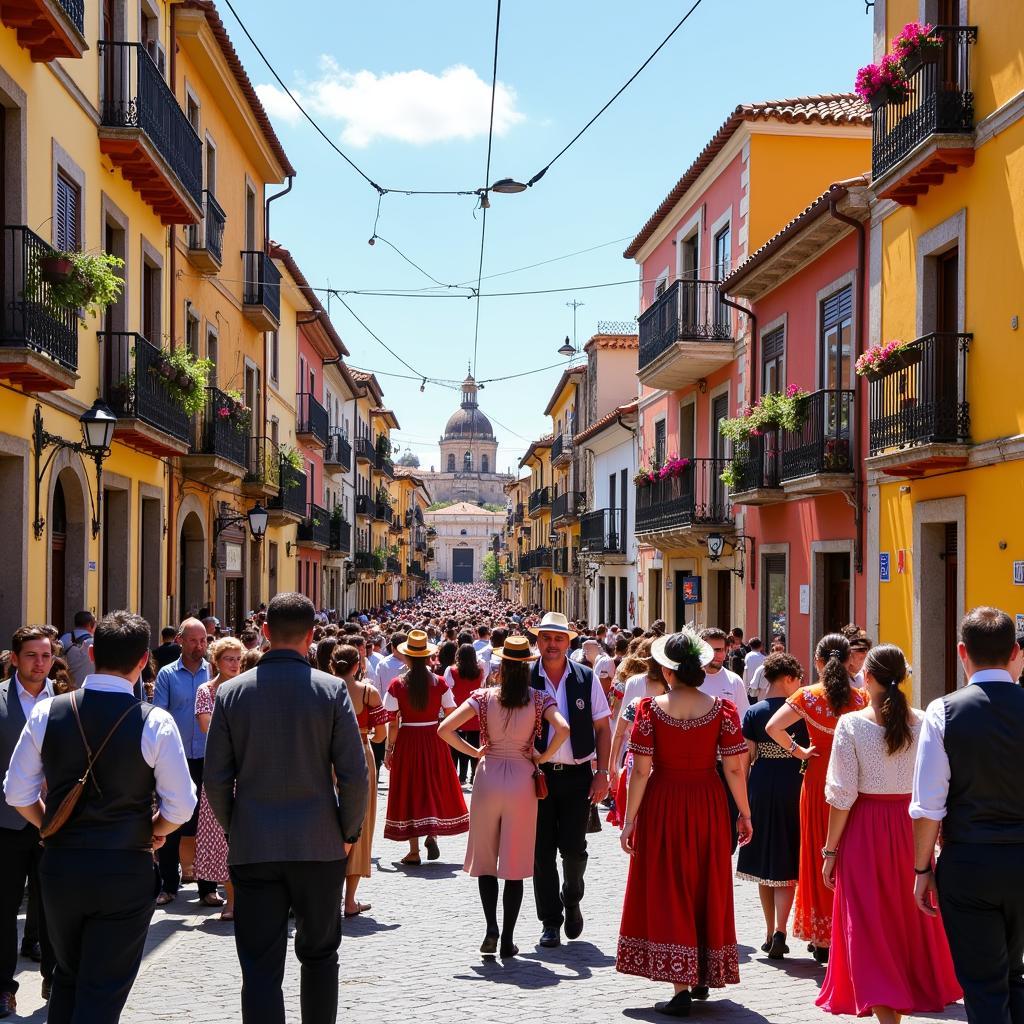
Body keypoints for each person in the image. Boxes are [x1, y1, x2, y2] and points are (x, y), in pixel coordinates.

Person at [4, 611, 196, 1024]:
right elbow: (181, 806)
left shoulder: (47, 713)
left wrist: (48, 825)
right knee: (102, 989)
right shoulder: (154, 722)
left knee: (69, 978)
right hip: (124, 867)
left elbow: (16, 793)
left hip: (61, 867)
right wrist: (156, 831)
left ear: (90, 653)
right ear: (145, 660)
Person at [203, 592, 368, 1024]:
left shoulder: (231, 694)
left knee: (258, 966)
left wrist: (232, 825)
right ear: (312, 636)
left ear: (265, 632)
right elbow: (354, 775)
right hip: (320, 844)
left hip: (254, 842)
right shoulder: (331, 690)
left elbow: (216, 778)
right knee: (319, 956)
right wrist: (348, 833)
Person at [817, 644, 960, 1022]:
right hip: (913, 829)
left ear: (868, 677)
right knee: (904, 921)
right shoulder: (924, 720)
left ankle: (887, 1011)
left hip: (866, 830)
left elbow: (842, 796)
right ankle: (904, 995)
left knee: (869, 926)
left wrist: (830, 851)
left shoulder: (851, 724)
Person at [616, 628, 752, 1017]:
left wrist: (629, 821)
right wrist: (744, 811)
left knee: (671, 882)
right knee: (706, 879)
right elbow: (734, 767)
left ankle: (680, 986)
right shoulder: (722, 710)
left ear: (668, 670)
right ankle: (703, 974)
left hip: (664, 801)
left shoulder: (650, 709)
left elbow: (640, 771)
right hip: (708, 800)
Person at [911, 607, 1024, 1024]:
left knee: (983, 984)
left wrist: (922, 868)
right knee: (1016, 975)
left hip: (969, 861)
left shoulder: (942, 712)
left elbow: (927, 805)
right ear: (1016, 652)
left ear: (962, 652)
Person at [439, 635, 569, 959]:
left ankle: (490, 930)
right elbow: (564, 728)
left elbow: (444, 728)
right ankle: (508, 938)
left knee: (486, 860)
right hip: (522, 778)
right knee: (514, 862)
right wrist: (542, 756)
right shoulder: (538, 699)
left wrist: (473, 751)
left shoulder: (483, 698)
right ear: (527, 665)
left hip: (488, 773)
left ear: (500, 665)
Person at [766, 633, 868, 963]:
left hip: (817, 777)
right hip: (853, 783)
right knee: (849, 854)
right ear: (849, 660)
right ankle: (846, 929)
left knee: (816, 853)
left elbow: (772, 727)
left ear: (817, 662)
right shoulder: (861, 698)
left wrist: (799, 751)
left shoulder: (807, 697)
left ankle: (821, 937)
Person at [529, 612, 612, 948]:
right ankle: (550, 921)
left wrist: (602, 773)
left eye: (558, 638)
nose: (552, 644)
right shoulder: (524, 677)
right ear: (538, 640)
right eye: (546, 637)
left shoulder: (586, 678)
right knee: (541, 852)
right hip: (536, 777)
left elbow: (603, 728)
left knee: (575, 850)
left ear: (569, 642)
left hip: (578, 776)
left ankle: (572, 897)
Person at [736, 652, 807, 961]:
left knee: (766, 861)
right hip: (795, 783)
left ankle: (768, 932)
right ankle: (781, 929)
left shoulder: (754, 712)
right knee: (788, 857)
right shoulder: (802, 711)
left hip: (762, 785)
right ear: (789, 678)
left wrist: (743, 805)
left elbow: (745, 761)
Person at [0, 627, 55, 1014]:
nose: (40, 663)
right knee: (3, 910)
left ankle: (55, 979)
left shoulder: (68, 701)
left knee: (56, 906)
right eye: (32, 655)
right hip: (6, 823)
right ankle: (4, 987)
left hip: (55, 823)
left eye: (46, 655)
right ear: (14, 658)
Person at [383, 631, 469, 864]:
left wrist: (389, 750)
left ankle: (414, 851)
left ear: (407, 658)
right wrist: (441, 726)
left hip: (408, 738)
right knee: (432, 784)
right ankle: (432, 834)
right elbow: (453, 712)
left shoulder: (396, 684)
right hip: (434, 738)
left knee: (410, 787)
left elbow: (392, 721)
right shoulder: (439, 683)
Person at [153, 618, 216, 906]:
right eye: (193, 640)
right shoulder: (167, 675)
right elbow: (160, 714)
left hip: (208, 755)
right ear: (180, 640)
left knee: (207, 823)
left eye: (203, 640)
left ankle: (208, 887)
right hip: (175, 758)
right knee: (171, 820)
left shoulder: (212, 673)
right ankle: (168, 884)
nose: (199, 646)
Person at [330, 643, 386, 919]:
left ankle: (327, 894)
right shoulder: (368, 692)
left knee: (325, 821)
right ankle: (350, 900)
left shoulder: (323, 689)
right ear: (357, 665)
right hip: (360, 751)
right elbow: (381, 734)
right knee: (360, 822)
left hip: (327, 757)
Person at [193, 637, 244, 921]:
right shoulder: (206, 691)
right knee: (221, 835)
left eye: (238, 659)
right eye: (229, 659)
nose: (235, 664)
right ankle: (232, 899)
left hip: (247, 768)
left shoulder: (247, 687)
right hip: (220, 770)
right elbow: (206, 727)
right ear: (217, 662)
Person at [698, 628, 750, 852]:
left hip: (725, 766)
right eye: (712, 649)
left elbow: (743, 727)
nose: (718, 655)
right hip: (698, 766)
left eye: (722, 650)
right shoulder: (691, 680)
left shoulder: (733, 681)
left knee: (725, 835)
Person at [445, 643, 485, 787]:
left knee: (456, 745)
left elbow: (447, 691)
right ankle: (473, 775)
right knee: (474, 746)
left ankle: (457, 776)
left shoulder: (451, 671)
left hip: (458, 714)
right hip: (475, 714)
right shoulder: (480, 671)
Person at [57, 612, 95, 690]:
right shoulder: (95, 642)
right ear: (91, 624)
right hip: (89, 688)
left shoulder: (65, 638)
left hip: (68, 688)